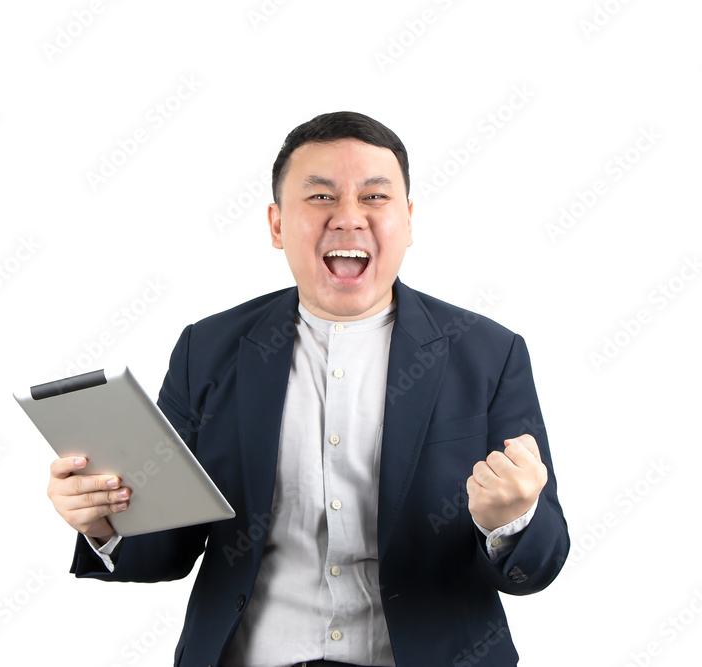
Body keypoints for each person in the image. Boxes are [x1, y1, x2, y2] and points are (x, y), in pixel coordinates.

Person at [46, 111, 568, 667]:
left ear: (409, 221)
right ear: (275, 224)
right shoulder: (209, 349)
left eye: (375, 198)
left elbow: (538, 562)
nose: (348, 219)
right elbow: (169, 548)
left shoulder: (489, 353)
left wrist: (511, 521)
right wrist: (104, 519)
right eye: (320, 198)